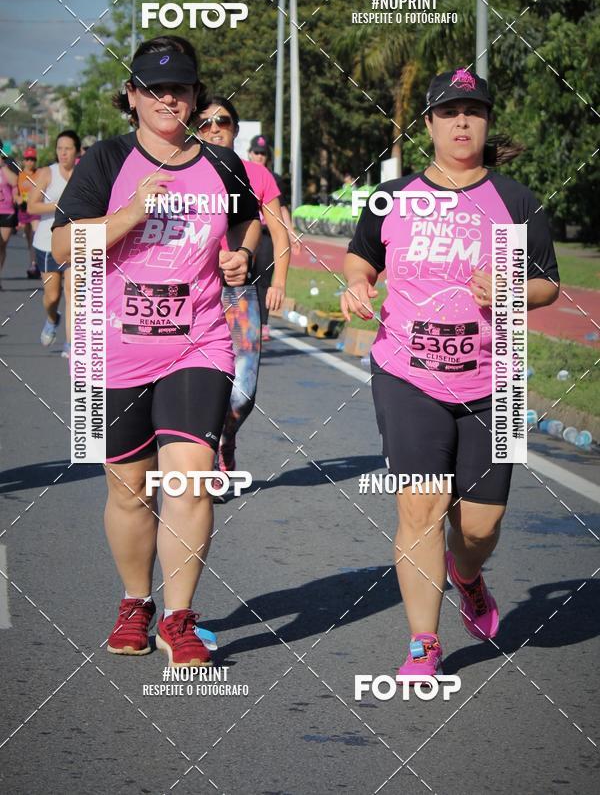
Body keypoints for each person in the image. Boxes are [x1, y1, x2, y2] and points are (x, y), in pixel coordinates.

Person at [341, 68, 559, 679]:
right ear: (430, 124)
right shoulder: (392, 196)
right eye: (449, 112)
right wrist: (356, 284)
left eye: (474, 111)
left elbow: (547, 282)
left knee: (481, 524)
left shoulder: (517, 200)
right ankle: (423, 644)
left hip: (497, 376)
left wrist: (512, 284)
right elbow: (362, 258)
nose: (462, 121)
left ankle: (468, 575)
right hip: (407, 371)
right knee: (422, 507)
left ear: (487, 123)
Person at [52, 35, 261, 668]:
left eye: (181, 89)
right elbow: (64, 249)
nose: (169, 99)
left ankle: (180, 618)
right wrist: (129, 214)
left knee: (190, 482)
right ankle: (135, 602)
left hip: (198, 340)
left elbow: (249, 217)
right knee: (128, 490)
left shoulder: (222, 165)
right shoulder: (108, 162)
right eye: (154, 89)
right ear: (133, 97)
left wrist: (241, 254)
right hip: (109, 348)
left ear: (196, 96)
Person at [197, 97, 292, 488]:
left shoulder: (257, 174)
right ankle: (208, 456)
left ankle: (226, 438)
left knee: (243, 393)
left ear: (236, 129)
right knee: (201, 383)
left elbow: (280, 231)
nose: (214, 128)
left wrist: (280, 282)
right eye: (204, 123)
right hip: (193, 292)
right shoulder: (185, 172)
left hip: (239, 292)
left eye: (223, 121)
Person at [28, 130, 79, 356]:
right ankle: (52, 318)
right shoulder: (46, 174)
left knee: (73, 293)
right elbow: (32, 206)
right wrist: (59, 206)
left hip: (73, 244)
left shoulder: (82, 174)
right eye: (59, 148)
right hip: (47, 245)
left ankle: (70, 343)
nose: (63, 153)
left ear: (76, 151)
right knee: (52, 296)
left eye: (67, 148)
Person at [247, 134, 297, 341]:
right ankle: (243, 320)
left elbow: (281, 207)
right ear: (250, 153)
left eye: (263, 154)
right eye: (256, 153)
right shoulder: (237, 171)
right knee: (242, 277)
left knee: (263, 278)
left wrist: (291, 231)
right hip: (245, 232)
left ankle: (263, 323)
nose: (260, 157)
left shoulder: (272, 178)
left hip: (267, 233)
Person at [17, 146, 41, 279]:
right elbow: (15, 193)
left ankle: (35, 264)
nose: (30, 162)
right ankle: (32, 263)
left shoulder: (39, 174)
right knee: (29, 239)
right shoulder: (20, 175)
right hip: (23, 210)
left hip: (35, 209)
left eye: (32, 159)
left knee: (35, 235)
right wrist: (17, 198)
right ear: (24, 161)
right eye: (28, 159)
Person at [0, 139, 19, 291]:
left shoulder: (7, 166)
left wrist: (2, 166)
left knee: (1, 246)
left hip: (6, 211)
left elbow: (15, 182)